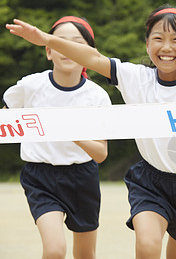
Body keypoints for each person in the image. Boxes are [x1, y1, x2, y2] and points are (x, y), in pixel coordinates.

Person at [6, 0, 176, 259]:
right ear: (147, 45)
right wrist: (46, 39)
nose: (166, 47)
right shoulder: (135, 78)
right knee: (147, 247)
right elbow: (93, 58)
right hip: (150, 181)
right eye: (158, 38)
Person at [2, 16, 111, 259]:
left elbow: (101, 154)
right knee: (54, 250)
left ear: (88, 52)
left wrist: (70, 131)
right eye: (60, 43)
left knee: (85, 254)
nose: (66, 49)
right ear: (48, 51)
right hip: (40, 177)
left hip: (83, 178)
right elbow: (5, 121)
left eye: (75, 43)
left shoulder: (97, 97)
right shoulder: (30, 86)